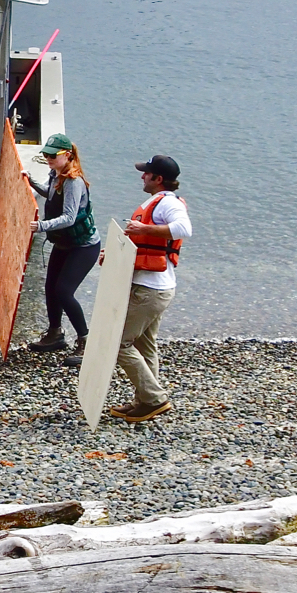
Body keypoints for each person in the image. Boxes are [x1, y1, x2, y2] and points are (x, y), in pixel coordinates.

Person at [105, 154, 192, 423]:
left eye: (147, 173)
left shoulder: (167, 203)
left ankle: (154, 398)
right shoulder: (155, 203)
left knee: (118, 343)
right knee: (144, 345)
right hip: (157, 288)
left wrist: (144, 228)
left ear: (158, 179)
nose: (142, 176)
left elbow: (184, 229)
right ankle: (144, 402)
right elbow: (138, 243)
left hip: (150, 291)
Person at [27, 134, 101, 367]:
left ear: (67, 155)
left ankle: (85, 340)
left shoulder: (73, 181)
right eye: (46, 155)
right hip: (64, 244)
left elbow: (69, 218)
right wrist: (30, 182)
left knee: (64, 291)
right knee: (50, 288)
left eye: (52, 155)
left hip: (84, 246)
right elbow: (51, 194)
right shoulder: (56, 174)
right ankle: (55, 334)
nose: (48, 158)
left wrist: (40, 226)